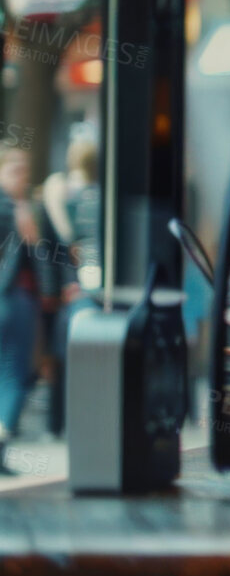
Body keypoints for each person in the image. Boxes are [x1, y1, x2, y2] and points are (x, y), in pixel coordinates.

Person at [40, 137, 102, 438]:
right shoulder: (101, 197)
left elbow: (61, 244)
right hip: (93, 289)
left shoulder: (64, 197)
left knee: (66, 356)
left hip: (73, 290)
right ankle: (80, 420)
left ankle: (59, 423)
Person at [0, 146, 51, 471]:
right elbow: (31, 257)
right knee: (14, 374)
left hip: (16, 298)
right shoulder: (16, 209)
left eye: (25, 170)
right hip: (14, 298)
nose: (23, 176)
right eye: (15, 169)